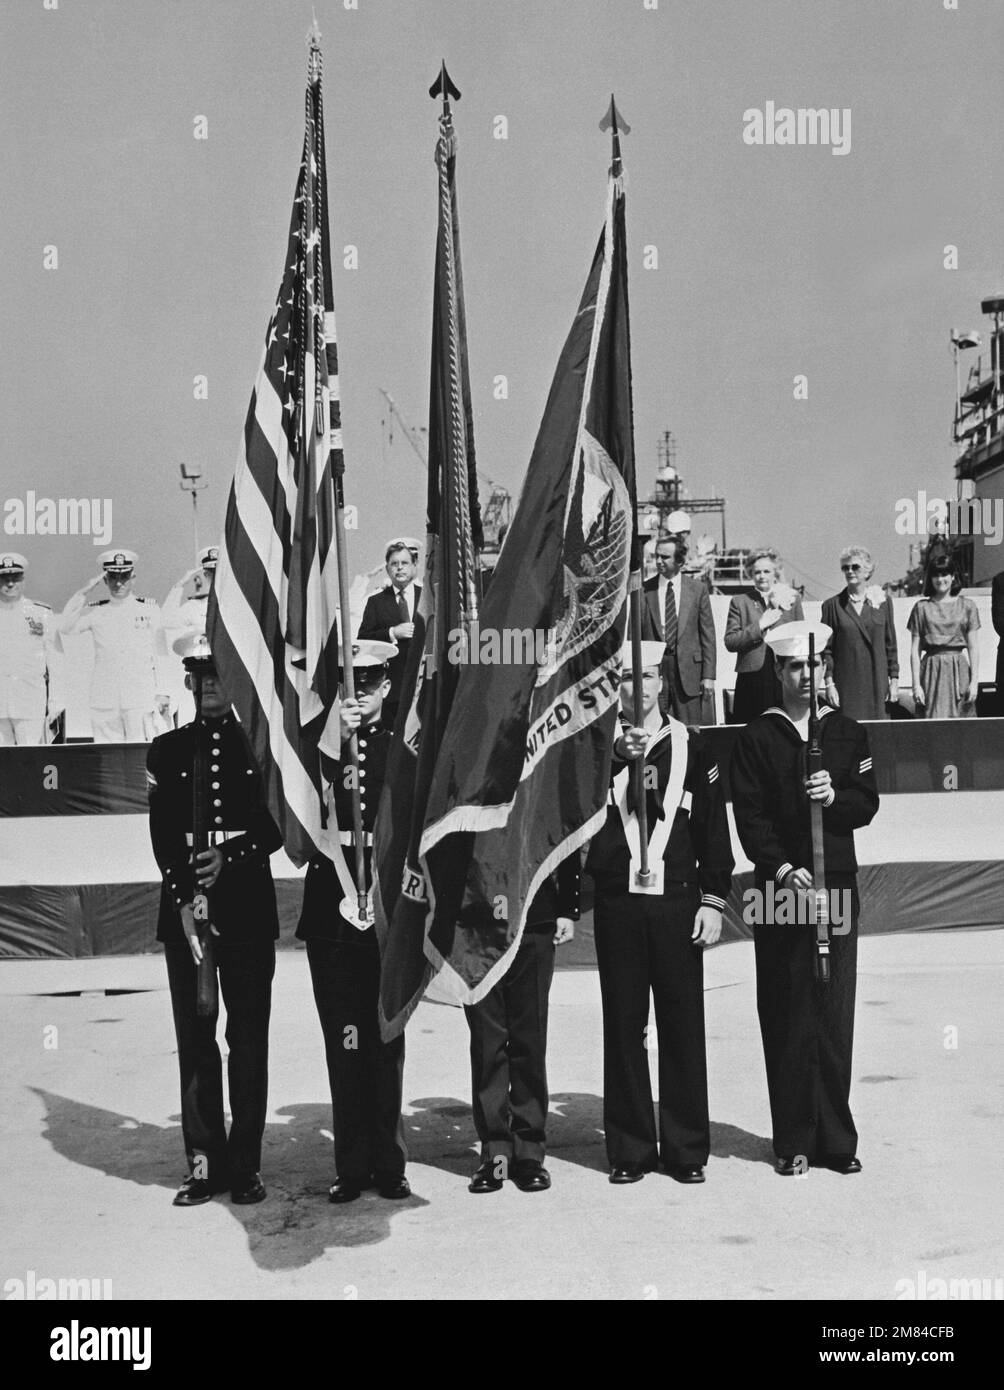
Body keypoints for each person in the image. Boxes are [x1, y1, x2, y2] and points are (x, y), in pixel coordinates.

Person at [730, 621, 879, 1177]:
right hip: (781, 888)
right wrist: (782, 868)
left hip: (834, 882)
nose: (806, 675)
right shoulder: (758, 736)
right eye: (795, 666)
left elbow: (866, 803)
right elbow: (750, 818)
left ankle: (836, 1140)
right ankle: (792, 1138)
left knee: (833, 1011)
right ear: (778, 671)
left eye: (814, 665)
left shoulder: (847, 732)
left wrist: (835, 796)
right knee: (787, 1008)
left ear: (826, 668)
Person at [586, 641, 734, 1185]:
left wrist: (714, 900)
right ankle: (630, 1149)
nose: (639, 687)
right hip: (619, 903)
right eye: (628, 678)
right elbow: (575, 814)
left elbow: (713, 828)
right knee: (624, 1026)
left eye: (648, 676)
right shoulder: (593, 746)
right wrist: (613, 757)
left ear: (662, 683)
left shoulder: (693, 745)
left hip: (677, 902)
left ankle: (686, 1148)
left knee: (682, 1024)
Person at [147, 634, 282, 1207]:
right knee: (196, 1038)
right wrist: (183, 896)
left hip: (246, 904)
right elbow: (161, 833)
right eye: (201, 676)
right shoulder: (167, 749)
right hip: (185, 911)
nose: (209, 686)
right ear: (188, 682)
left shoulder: (262, 748)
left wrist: (232, 855)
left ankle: (246, 1165)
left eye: (219, 675)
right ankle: (204, 1163)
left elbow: (278, 827)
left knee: (247, 1040)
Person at [296, 639, 410, 1205]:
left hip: (385, 906)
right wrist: (333, 741)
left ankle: (389, 1163)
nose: (358, 695)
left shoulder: (402, 750)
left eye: (368, 685)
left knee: (385, 1039)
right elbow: (299, 803)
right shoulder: (319, 749)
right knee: (344, 1041)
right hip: (332, 910)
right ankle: (351, 1163)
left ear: (386, 686)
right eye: (350, 685)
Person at [464, 856, 580, 1196]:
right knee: (487, 1042)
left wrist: (566, 907)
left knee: (529, 1039)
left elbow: (563, 834)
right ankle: (496, 1153)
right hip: (477, 920)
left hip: (534, 914)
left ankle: (529, 1152)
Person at [59, 549, 170, 741]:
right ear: (105, 579)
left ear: (133, 577)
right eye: (113, 577)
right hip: (105, 699)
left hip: (140, 696)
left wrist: (164, 692)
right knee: (109, 755)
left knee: (141, 753)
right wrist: (83, 592)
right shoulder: (95, 611)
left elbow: (161, 653)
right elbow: (65, 627)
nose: (118, 583)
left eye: (124, 577)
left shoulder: (149, 609)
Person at [640, 534, 717, 725]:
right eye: (656, 556)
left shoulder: (697, 590)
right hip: (655, 670)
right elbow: (635, 636)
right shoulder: (643, 590)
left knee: (691, 729)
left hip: (689, 672)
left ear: (680, 561)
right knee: (655, 728)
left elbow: (708, 635)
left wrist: (708, 676)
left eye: (665, 557)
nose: (659, 561)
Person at [724, 547, 804, 723]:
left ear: (775, 573)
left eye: (766, 571)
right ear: (750, 574)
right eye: (757, 572)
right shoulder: (740, 602)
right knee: (751, 728)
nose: (761, 576)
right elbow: (730, 642)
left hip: (784, 674)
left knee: (784, 727)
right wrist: (759, 626)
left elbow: (801, 638)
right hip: (752, 677)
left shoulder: (792, 599)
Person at [820, 546, 898, 719]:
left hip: (877, 682)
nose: (850, 571)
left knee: (878, 730)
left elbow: (890, 645)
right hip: (847, 683)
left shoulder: (883, 602)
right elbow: (826, 651)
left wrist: (894, 680)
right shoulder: (831, 606)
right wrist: (829, 684)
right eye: (845, 568)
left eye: (855, 567)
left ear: (867, 571)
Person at [0, 553, 63, 745]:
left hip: (30, 702)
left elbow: (56, 660)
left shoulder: (41, 613)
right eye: (4, 578)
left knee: (31, 758)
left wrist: (56, 701)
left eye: (15, 577)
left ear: (23, 579)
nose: (10, 583)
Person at [357, 538, 422, 725]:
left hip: (423, 688)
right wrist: (392, 633)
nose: (399, 568)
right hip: (393, 691)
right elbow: (363, 639)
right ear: (387, 569)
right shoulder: (376, 602)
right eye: (394, 564)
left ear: (414, 566)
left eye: (405, 563)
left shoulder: (427, 598)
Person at [907, 555, 981, 719]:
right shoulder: (921, 608)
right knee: (931, 722)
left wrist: (974, 682)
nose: (940, 580)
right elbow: (914, 650)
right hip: (931, 672)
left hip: (959, 671)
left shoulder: (967, 606)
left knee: (962, 724)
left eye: (945, 574)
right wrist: (916, 685)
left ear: (953, 576)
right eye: (936, 575)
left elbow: (973, 647)